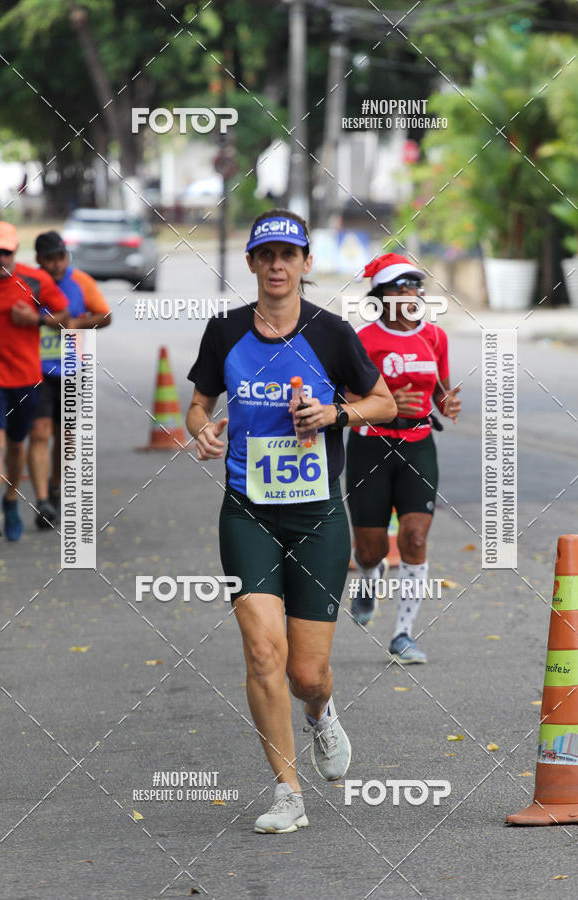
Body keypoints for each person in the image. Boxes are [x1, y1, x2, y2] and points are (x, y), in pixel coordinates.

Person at [187, 209, 396, 833]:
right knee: (261, 655)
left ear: (306, 264)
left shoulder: (331, 333)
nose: (277, 266)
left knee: (307, 673)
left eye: (289, 255)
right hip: (246, 514)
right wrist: (202, 433)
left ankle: (322, 713)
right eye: (266, 255)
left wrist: (334, 415)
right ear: (251, 264)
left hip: (317, 518)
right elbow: (197, 405)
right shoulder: (224, 332)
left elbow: (383, 401)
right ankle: (287, 793)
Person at [346, 253, 461, 663]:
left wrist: (447, 403)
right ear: (381, 296)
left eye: (415, 285)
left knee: (414, 537)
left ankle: (403, 634)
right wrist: (388, 402)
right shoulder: (361, 340)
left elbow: (441, 392)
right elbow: (344, 401)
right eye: (400, 286)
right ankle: (367, 580)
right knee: (370, 551)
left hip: (417, 445)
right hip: (369, 447)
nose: (410, 293)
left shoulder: (435, 337)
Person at [0, 221, 69, 542]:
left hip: (25, 377)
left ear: (15, 252)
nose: (1, 259)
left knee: (16, 445)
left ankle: (11, 501)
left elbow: (64, 316)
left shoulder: (35, 281)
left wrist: (36, 319)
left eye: (6, 253)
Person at [28, 230, 111, 528]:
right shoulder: (30, 284)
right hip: (37, 372)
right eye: (50, 259)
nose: (57, 264)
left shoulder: (81, 282)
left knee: (67, 437)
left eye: (61, 257)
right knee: (39, 432)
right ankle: (42, 502)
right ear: (39, 260)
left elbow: (105, 315)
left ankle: (55, 484)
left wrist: (79, 322)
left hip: (73, 371)